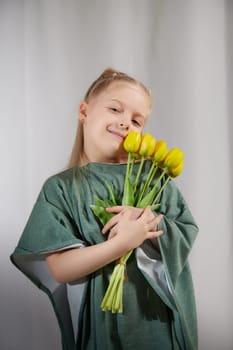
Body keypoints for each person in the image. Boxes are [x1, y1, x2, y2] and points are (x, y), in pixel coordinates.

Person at [11, 68, 198, 350]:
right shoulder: (62, 188)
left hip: (156, 320)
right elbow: (60, 268)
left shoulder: (155, 178)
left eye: (137, 120)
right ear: (84, 112)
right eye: (115, 109)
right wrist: (122, 243)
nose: (125, 123)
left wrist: (146, 221)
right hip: (102, 324)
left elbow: (184, 232)